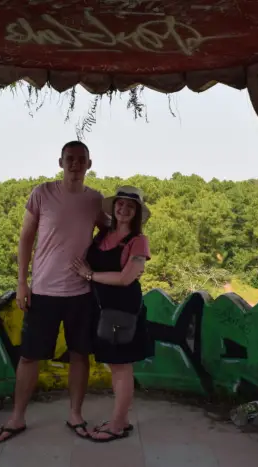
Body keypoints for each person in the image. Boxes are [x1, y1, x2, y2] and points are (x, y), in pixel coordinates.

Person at [0, 141, 108, 443]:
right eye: (70, 159)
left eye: (81, 160)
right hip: (43, 291)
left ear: (89, 164)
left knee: (80, 355)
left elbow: (114, 232)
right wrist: (21, 282)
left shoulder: (95, 200)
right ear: (60, 161)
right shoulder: (42, 193)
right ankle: (17, 418)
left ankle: (75, 414)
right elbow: (25, 238)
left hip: (81, 293)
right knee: (29, 357)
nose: (75, 164)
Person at [71, 186, 153, 443]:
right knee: (114, 365)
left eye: (131, 206)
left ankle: (117, 425)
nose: (124, 209)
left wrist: (89, 275)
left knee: (120, 367)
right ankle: (122, 419)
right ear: (114, 207)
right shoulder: (103, 234)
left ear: (137, 212)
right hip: (101, 309)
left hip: (123, 310)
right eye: (120, 204)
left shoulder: (138, 241)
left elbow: (126, 278)